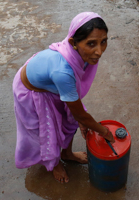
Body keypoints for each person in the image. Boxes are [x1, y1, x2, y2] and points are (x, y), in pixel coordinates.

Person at [12, 12, 115, 183]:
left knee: (69, 120)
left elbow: (77, 111)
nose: (99, 51)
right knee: (45, 131)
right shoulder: (63, 72)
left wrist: (81, 119)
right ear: (73, 43)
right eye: (91, 44)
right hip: (32, 91)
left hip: (52, 85)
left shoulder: (82, 55)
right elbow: (80, 114)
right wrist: (104, 131)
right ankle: (54, 163)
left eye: (103, 41)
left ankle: (67, 154)